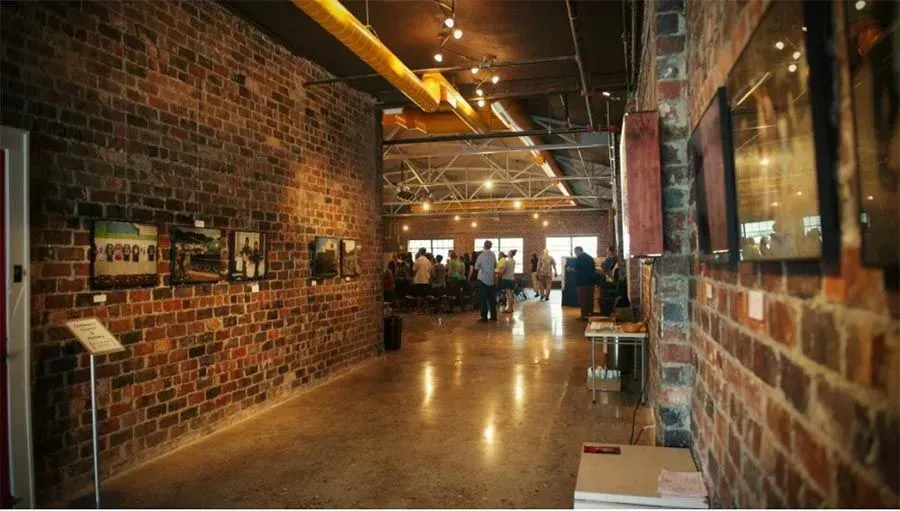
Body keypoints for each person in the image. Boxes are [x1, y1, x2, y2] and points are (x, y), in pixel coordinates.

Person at [471, 240, 498, 322]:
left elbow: (476, 267)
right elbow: (495, 265)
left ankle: (484, 317)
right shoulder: (493, 255)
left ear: (484, 246)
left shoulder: (481, 255)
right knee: (491, 299)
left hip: (482, 279)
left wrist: (482, 268)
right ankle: (494, 316)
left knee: (483, 299)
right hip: (491, 279)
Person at [572, 246, 596, 320]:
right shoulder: (590, 257)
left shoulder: (579, 259)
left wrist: (570, 269)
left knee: (583, 300)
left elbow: (577, 270)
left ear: (578, 251)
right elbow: (593, 269)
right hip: (591, 282)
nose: (575, 254)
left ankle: (584, 316)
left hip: (581, 282)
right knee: (590, 299)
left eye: (575, 252)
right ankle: (590, 314)